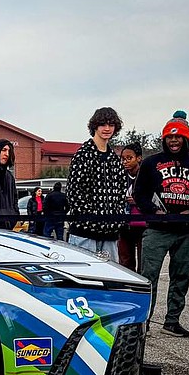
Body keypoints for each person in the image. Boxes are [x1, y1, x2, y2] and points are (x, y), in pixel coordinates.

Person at [133, 111, 189, 337]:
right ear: (164, 139)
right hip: (157, 229)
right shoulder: (151, 162)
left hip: (186, 231)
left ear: (186, 139)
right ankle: (142, 323)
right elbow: (139, 193)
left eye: (178, 137)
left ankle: (172, 321)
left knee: (181, 278)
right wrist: (153, 210)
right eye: (169, 137)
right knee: (148, 277)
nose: (174, 141)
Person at [66, 107, 127, 261]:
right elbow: (73, 192)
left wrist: (116, 219)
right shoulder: (83, 154)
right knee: (83, 278)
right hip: (84, 232)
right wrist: (89, 219)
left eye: (111, 124)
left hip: (110, 234)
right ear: (95, 126)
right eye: (103, 124)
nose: (107, 128)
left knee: (111, 280)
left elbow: (121, 192)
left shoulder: (114, 158)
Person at [117, 143, 146, 271]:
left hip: (143, 224)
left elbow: (155, 198)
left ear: (138, 158)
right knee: (125, 260)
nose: (125, 161)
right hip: (124, 224)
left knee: (144, 261)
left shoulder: (147, 176)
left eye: (129, 158)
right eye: (123, 158)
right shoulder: (120, 177)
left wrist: (138, 200)